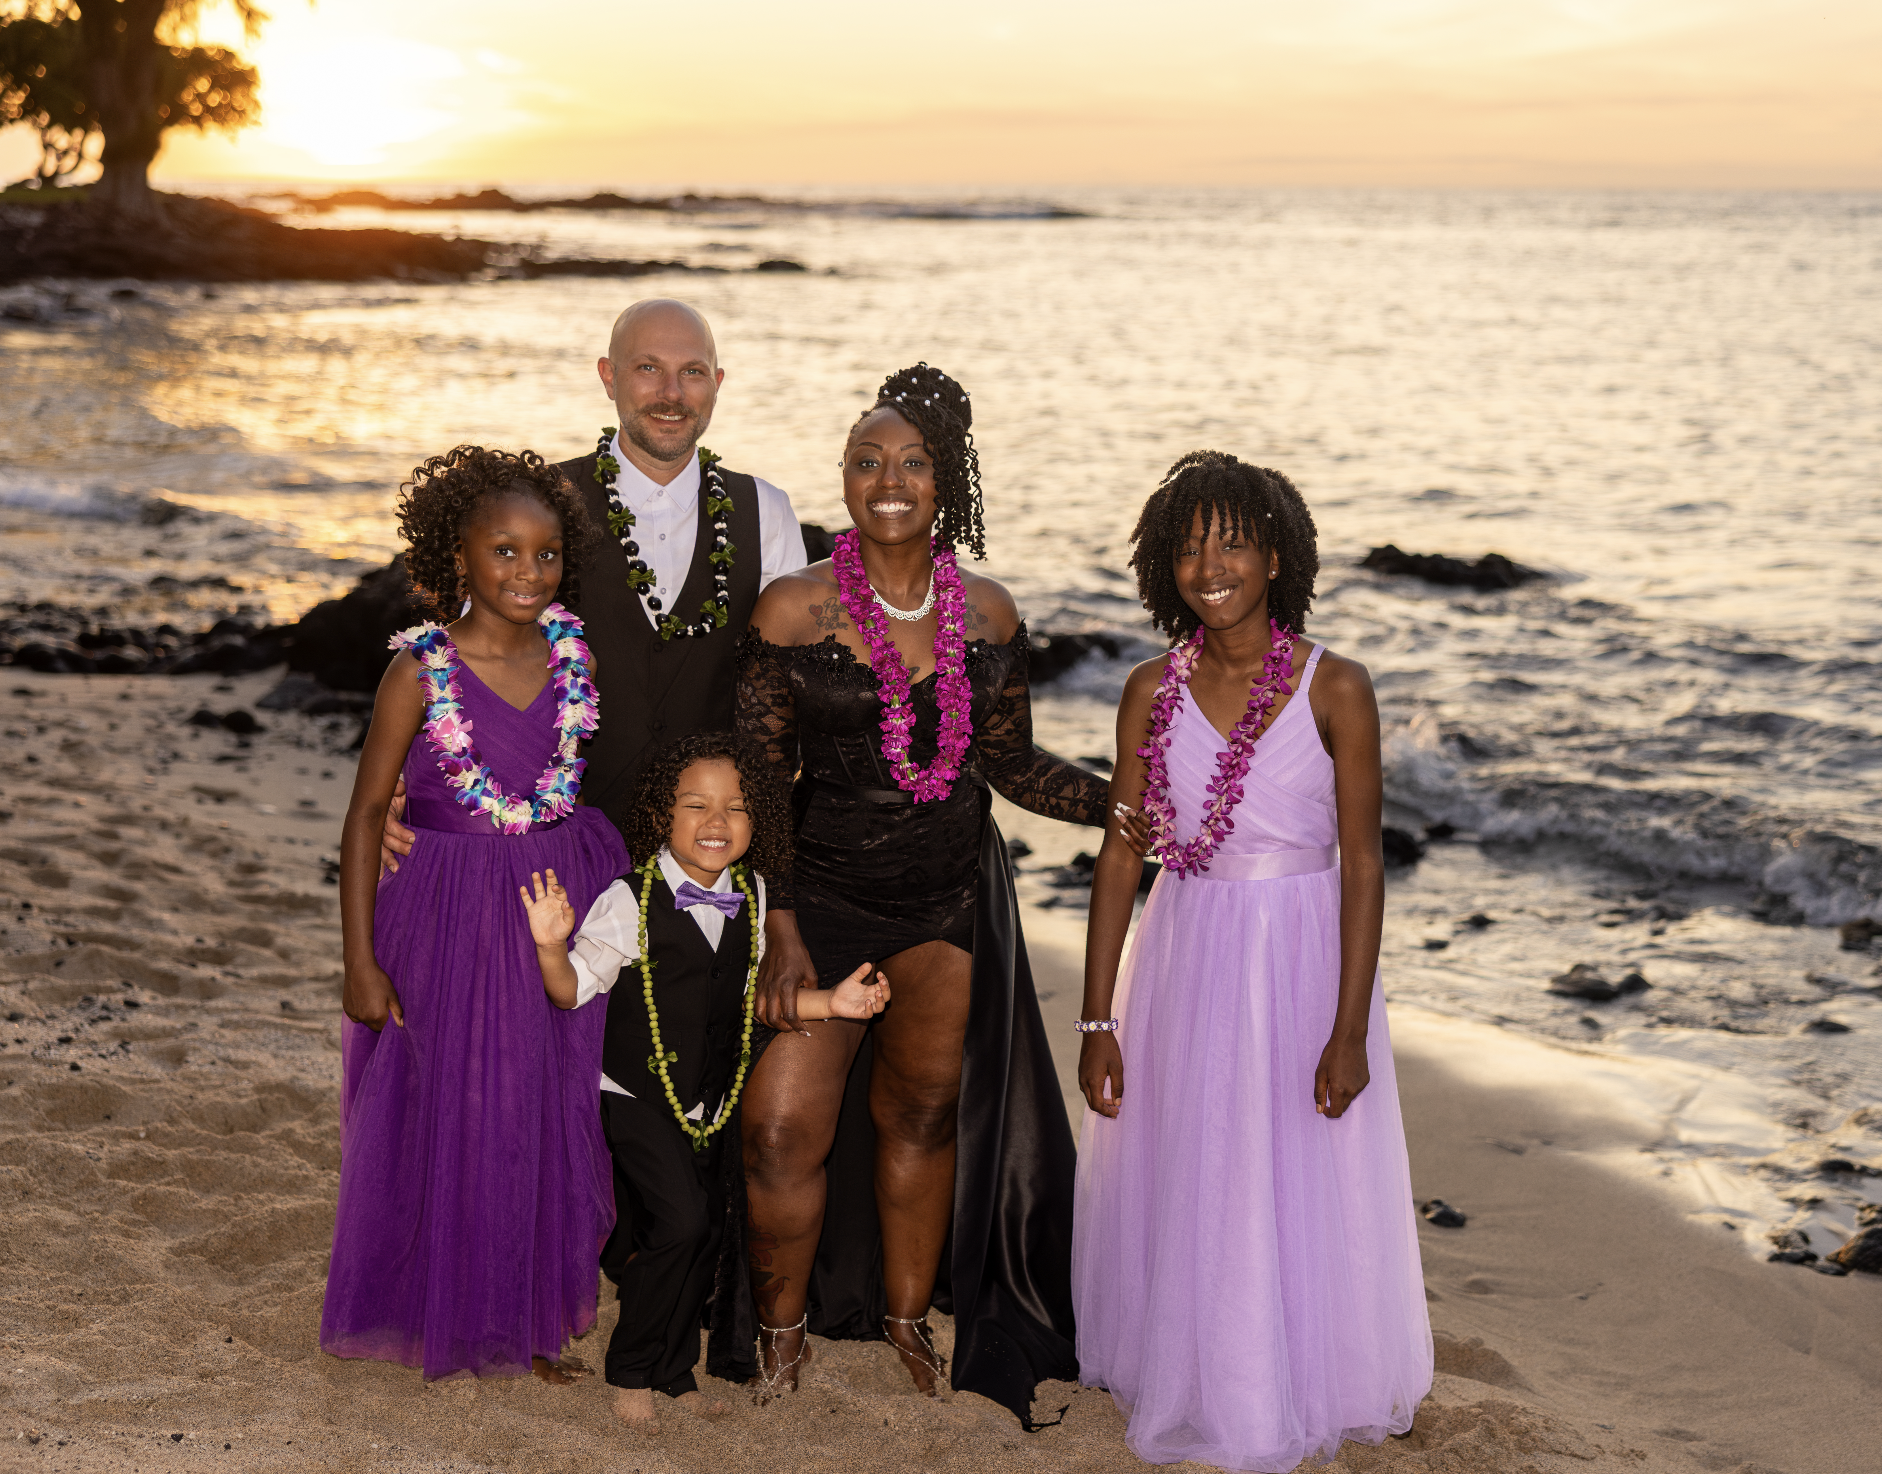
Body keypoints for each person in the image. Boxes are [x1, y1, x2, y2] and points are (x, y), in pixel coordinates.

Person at [732, 363, 1144, 1421]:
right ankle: (777, 1336)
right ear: (844, 478)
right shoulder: (792, 609)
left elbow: (1011, 767)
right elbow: (764, 785)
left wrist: (1126, 805)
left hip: (945, 908)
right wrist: (778, 921)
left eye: (911, 461)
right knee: (781, 1130)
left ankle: (909, 1320)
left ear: (945, 483)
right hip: (819, 901)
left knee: (919, 1114)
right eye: (866, 460)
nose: (888, 478)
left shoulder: (990, 617)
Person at [1070, 451, 1433, 1470]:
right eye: (1187, 546)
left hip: (1303, 954)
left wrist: (1349, 1026)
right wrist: (1098, 1019)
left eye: (1231, 540)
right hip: (1185, 951)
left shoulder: (1338, 688)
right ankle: (1202, 1374)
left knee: (1296, 1166)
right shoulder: (1149, 690)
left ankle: (1304, 1371)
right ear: (1161, 565)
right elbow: (1120, 855)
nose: (1209, 564)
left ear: (1276, 554)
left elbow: (1363, 862)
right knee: (1198, 1158)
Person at [322, 446, 626, 1382]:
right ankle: (439, 1308)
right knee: (449, 1106)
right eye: (504, 552)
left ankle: (528, 1319)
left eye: (543, 555)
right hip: (446, 911)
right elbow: (368, 814)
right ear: (459, 557)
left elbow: (561, 781)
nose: (527, 574)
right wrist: (360, 963)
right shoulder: (420, 671)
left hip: (545, 904)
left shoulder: (571, 654)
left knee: (536, 1103)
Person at [518, 733, 890, 1425]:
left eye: (736, 808)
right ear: (663, 813)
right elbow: (570, 992)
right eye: (696, 805)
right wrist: (548, 945)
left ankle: (672, 1364)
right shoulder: (629, 901)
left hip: (711, 1102)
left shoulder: (753, 898)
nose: (717, 822)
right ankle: (631, 1367)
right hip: (636, 1096)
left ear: (760, 824)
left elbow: (750, 998)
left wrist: (832, 1003)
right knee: (681, 1223)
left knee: (709, 1228)